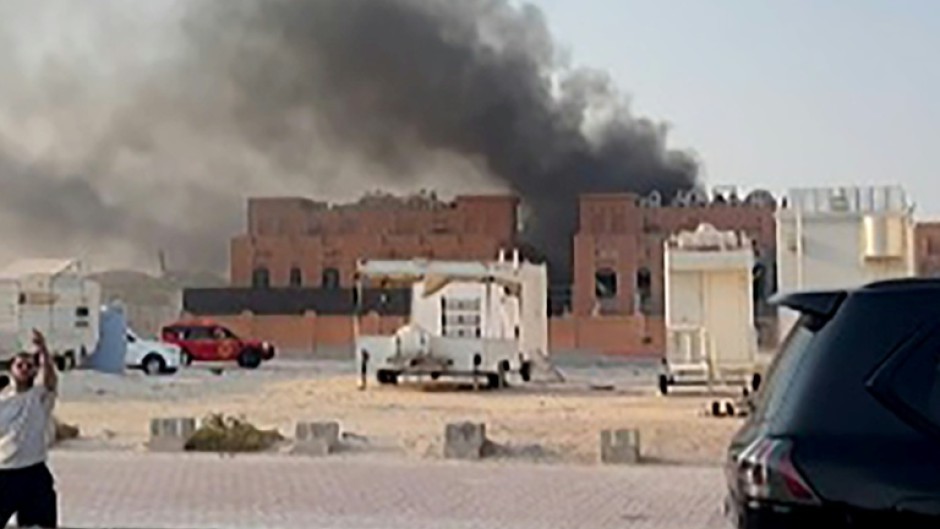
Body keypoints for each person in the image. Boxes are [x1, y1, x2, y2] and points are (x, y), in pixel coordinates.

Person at [0, 329, 59, 528]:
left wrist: (43, 350)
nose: (24, 368)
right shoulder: (2, 402)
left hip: (34, 473)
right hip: (4, 473)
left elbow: (51, 380)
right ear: (11, 369)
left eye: (29, 366)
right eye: (20, 365)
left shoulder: (39, 397)